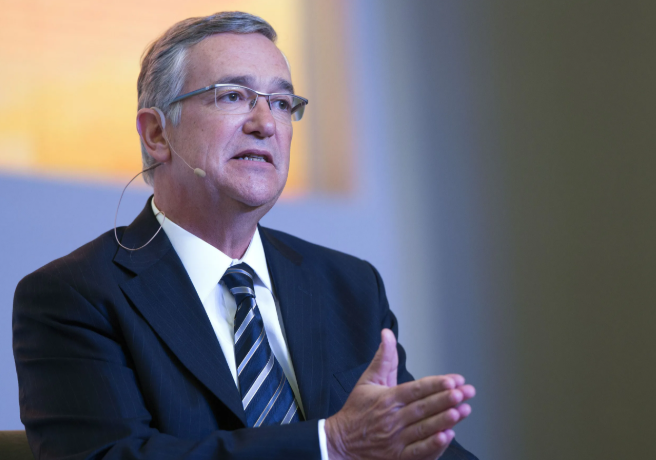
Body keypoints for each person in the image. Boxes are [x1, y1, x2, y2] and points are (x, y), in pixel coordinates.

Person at [12, 11, 477, 460]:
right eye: (233, 96)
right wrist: (329, 445)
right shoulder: (76, 296)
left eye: (281, 103)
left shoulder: (349, 286)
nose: (266, 123)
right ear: (156, 134)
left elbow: (411, 445)